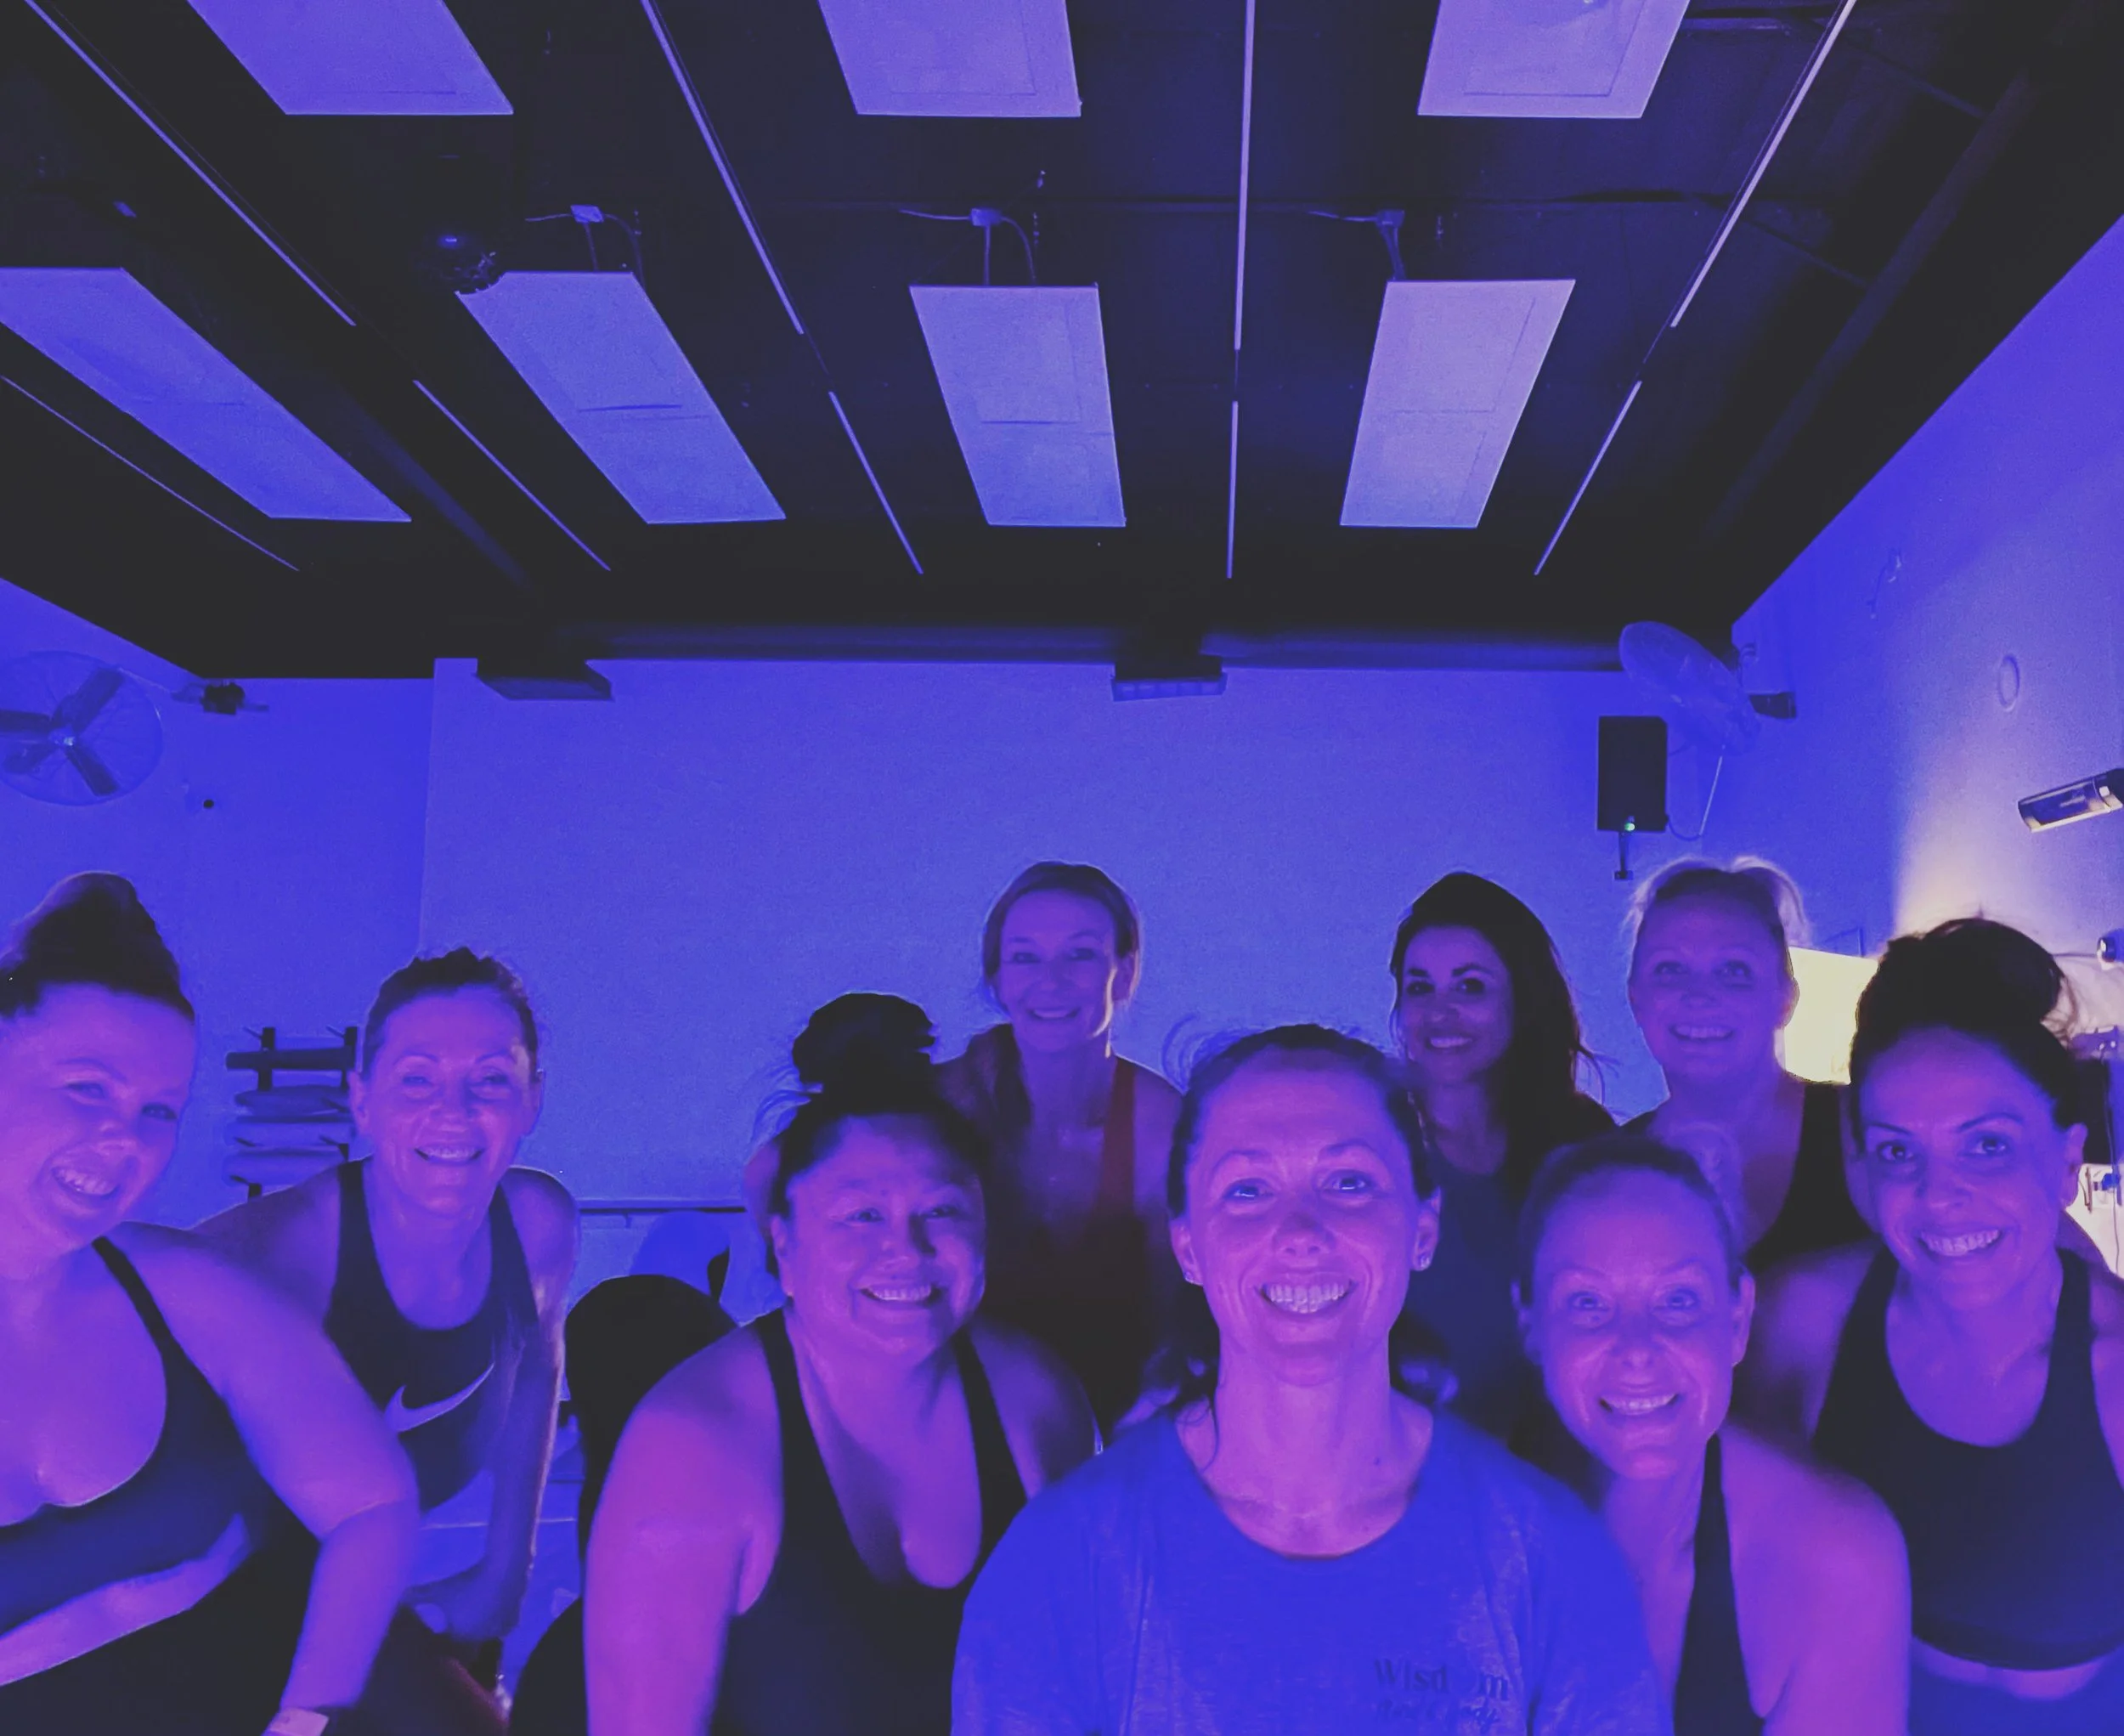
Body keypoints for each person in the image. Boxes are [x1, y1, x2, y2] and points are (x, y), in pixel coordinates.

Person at [953, 1026, 1669, 1736]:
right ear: (1188, 1244)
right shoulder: (1059, 1569)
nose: (1301, 1230)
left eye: (1349, 1182)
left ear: (1423, 1226)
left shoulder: (1549, 1558)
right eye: (1248, 1188)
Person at [585, 1008, 1095, 1736]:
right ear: (784, 1244)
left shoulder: (1037, 1400)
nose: (906, 1249)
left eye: (941, 1209)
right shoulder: (691, 1446)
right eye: (860, 1216)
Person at [0, 874, 418, 1735]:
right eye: (88, 1088)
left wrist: (306, 1717)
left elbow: (373, 1506)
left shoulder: (184, 1287)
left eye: (160, 1110)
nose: (127, 1138)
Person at [1746, 918, 2124, 1733]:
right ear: (1857, 1162)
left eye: (1986, 1145)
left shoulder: (2115, 1367)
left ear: (2066, 1161)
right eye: (1896, 1152)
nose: (1939, 1193)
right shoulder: (1803, 1319)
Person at [201, 948, 579, 1732]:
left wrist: (508, 1568)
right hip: (224, 1596)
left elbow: (538, 1365)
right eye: (417, 1078)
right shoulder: (275, 1253)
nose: (455, 1109)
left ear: (532, 1101)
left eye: (491, 1079)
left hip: (366, 1598)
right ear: (361, 1100)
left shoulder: (538, 1226)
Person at [1517, 1134, 1907, 1735]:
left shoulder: (1832, 1557)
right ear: (1531, 1323)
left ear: (1737, 1316)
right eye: (1588, 1303)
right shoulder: (1461, 1517)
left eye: (1677, 1299)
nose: (1637, 1349)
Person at [937, 862, 1183, 1431]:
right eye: (1025, 956)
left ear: (1123, 974)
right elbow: (775, 1172)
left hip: (1122, 1421)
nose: (1052, 981)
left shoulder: (1159, 1120)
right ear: (997, 979)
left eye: (1079, 955)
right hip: (958, 1422)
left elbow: (1183, 1320)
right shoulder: (938, 1105)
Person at [1389, 872, 1614, 1434]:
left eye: (1469, 987)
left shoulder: (1582, 1140)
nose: (1441, 1013)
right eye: (1420, 987)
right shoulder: (1369, 1137)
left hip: (1558, 1461)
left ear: (1522, 999)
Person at [1624, 861, 1867, 1268]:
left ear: (1785, 999)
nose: (1699, 996)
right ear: (1636, 998)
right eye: (1670, 969)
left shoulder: (1864, 1133)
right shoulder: (1610, 1169)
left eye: (1734, 971)